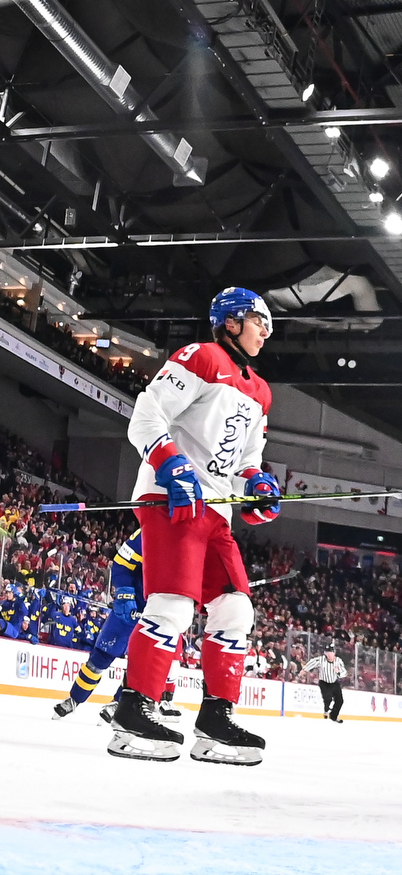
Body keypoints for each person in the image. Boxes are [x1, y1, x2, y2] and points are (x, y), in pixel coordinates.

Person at [106, 287, 279, 766]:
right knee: (173, 606)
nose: (266, 331)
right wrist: (170, 464)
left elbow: (248, 461)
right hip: (172, 502)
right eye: (258, 321)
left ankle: (215, 721)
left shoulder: (262, 392)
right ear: (231, 321)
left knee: (235, 610)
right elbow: (146, 414)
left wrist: (258, 488)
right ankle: (132, 711)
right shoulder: (200, 357)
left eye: (268, 325)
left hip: (216, 514)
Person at [52, 528, 144, 720]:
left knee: (142, 665)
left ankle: (119, 703)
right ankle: (74, 699)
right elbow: (121, 563)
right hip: (131, 606)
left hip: (159, 611)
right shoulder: (150, 531)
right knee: (100, 656)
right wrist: (125, 594)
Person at [302, 643, 348, 722]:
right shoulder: (321, 659)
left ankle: (334, 716)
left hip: (334, 682)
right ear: (325, 653)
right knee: (328, 698)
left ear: (334, 653)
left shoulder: (338, 661)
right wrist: (304, 670)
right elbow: (312, 662)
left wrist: (338, 673)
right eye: (328, 653)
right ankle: (326, 710)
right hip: (324, 682)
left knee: (340, 701)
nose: (330, 654)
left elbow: (344, 672)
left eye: (331, 652)